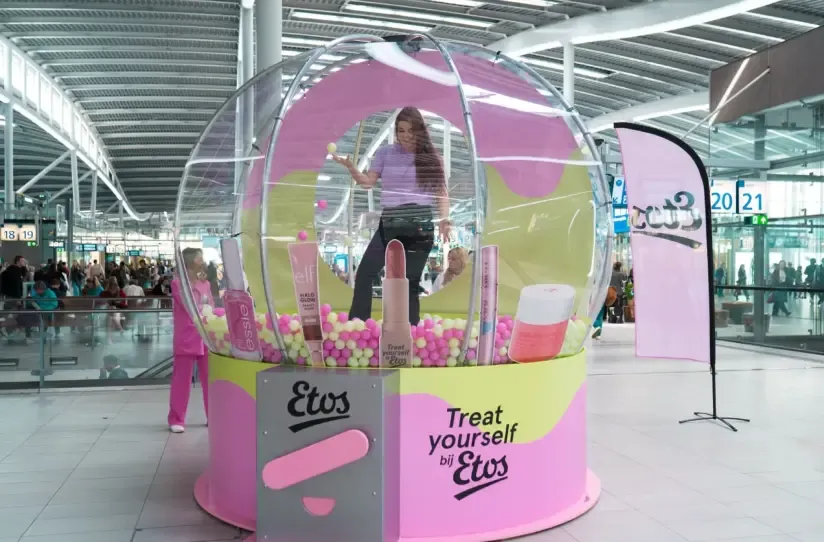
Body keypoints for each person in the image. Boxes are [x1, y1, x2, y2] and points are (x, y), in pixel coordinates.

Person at [332, 107, 450, 324]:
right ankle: (358, 325)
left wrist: (444, 220)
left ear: (420, 131)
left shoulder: (433, 158)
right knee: (365, 272)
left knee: (411, 281)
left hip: (420, 223)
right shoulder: (386, 153)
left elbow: (441, 193)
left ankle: (410, 331)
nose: (405, 135)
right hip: (390, 222)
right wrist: (351, 167)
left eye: (410, 130)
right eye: (401, 130)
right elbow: (368, 183)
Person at [168, 247, 213, 433]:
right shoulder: (178, 284)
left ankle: (214, 415)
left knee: (210, 378)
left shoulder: (206, 284)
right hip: (187, 335)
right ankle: (176, 419)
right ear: (190, 261)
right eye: (198, 257)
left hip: (205, 335)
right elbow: (190, 306)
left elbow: (210, 305)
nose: (201, 260)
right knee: (182, 379)